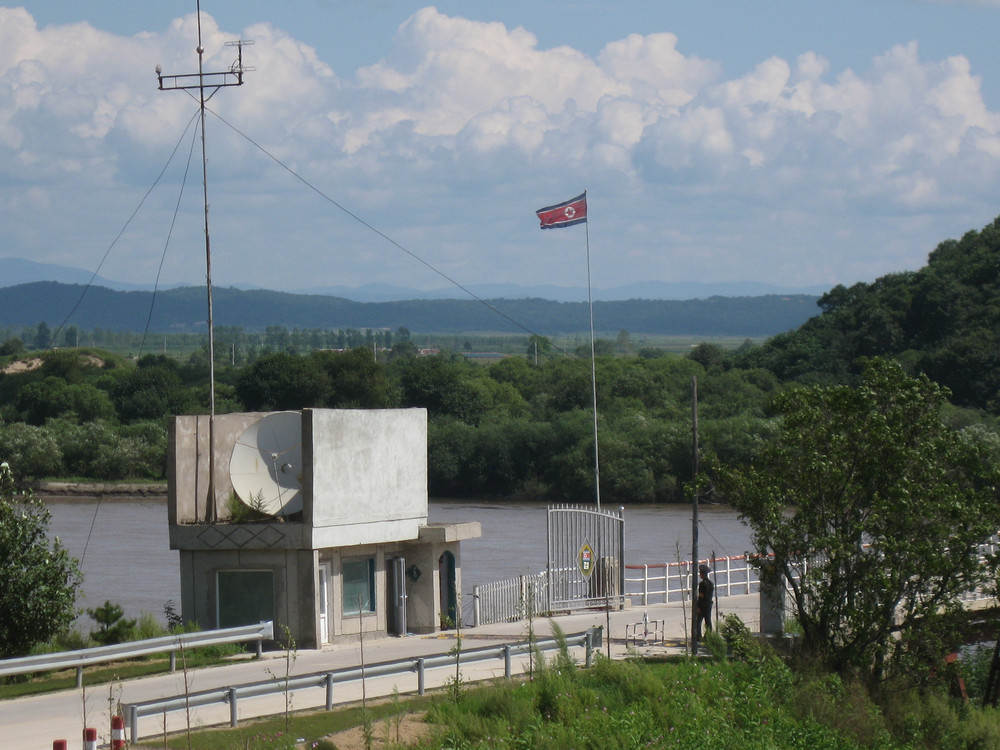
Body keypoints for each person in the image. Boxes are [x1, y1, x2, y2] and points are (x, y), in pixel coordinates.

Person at [697, 563, 714, 635]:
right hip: (709, 604)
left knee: (698, 621)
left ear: (702, 574)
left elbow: (701, 596)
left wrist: (698, 606)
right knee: (708, 620)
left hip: (703, 605)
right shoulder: (711, 583)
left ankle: (698, 636)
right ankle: (708, 635)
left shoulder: (702, 584)